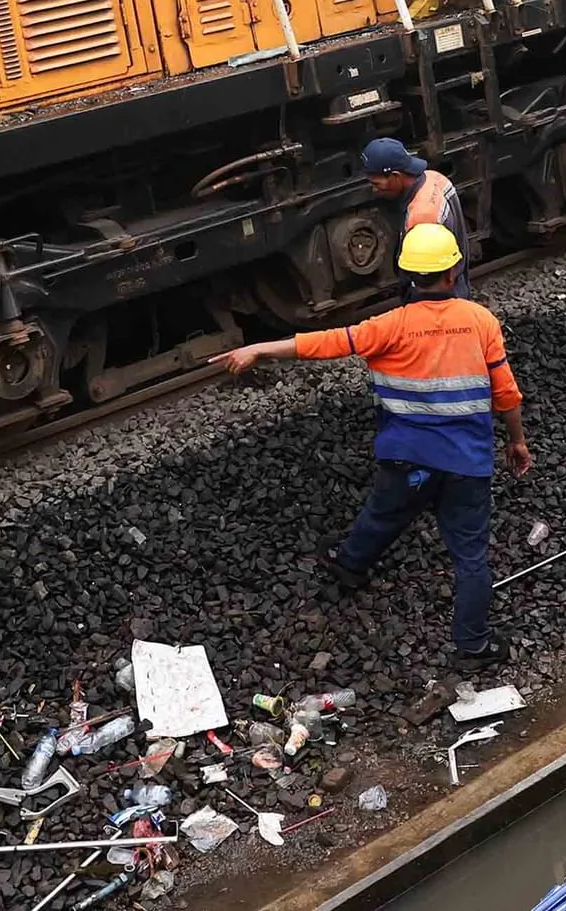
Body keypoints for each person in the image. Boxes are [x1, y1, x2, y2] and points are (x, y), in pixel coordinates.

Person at [215, 222, 528, 671]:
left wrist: (260, 349)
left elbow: (325, 343)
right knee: (471, 556)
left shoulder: (388, 327)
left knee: (384, 513)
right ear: (454, 270)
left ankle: (350, 566)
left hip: (406, 459)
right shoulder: (480, 322)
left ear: (408, 274)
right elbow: (507, 395)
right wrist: (517, 442)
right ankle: (473, 645)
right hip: (466, 464)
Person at [361, 136, 470, 300]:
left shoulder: (423, 219)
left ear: (396, 176)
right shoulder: (433, 177)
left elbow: (429, 281)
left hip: (438, 301)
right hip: (456, 287)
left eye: (377, 184)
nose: (375, 190)